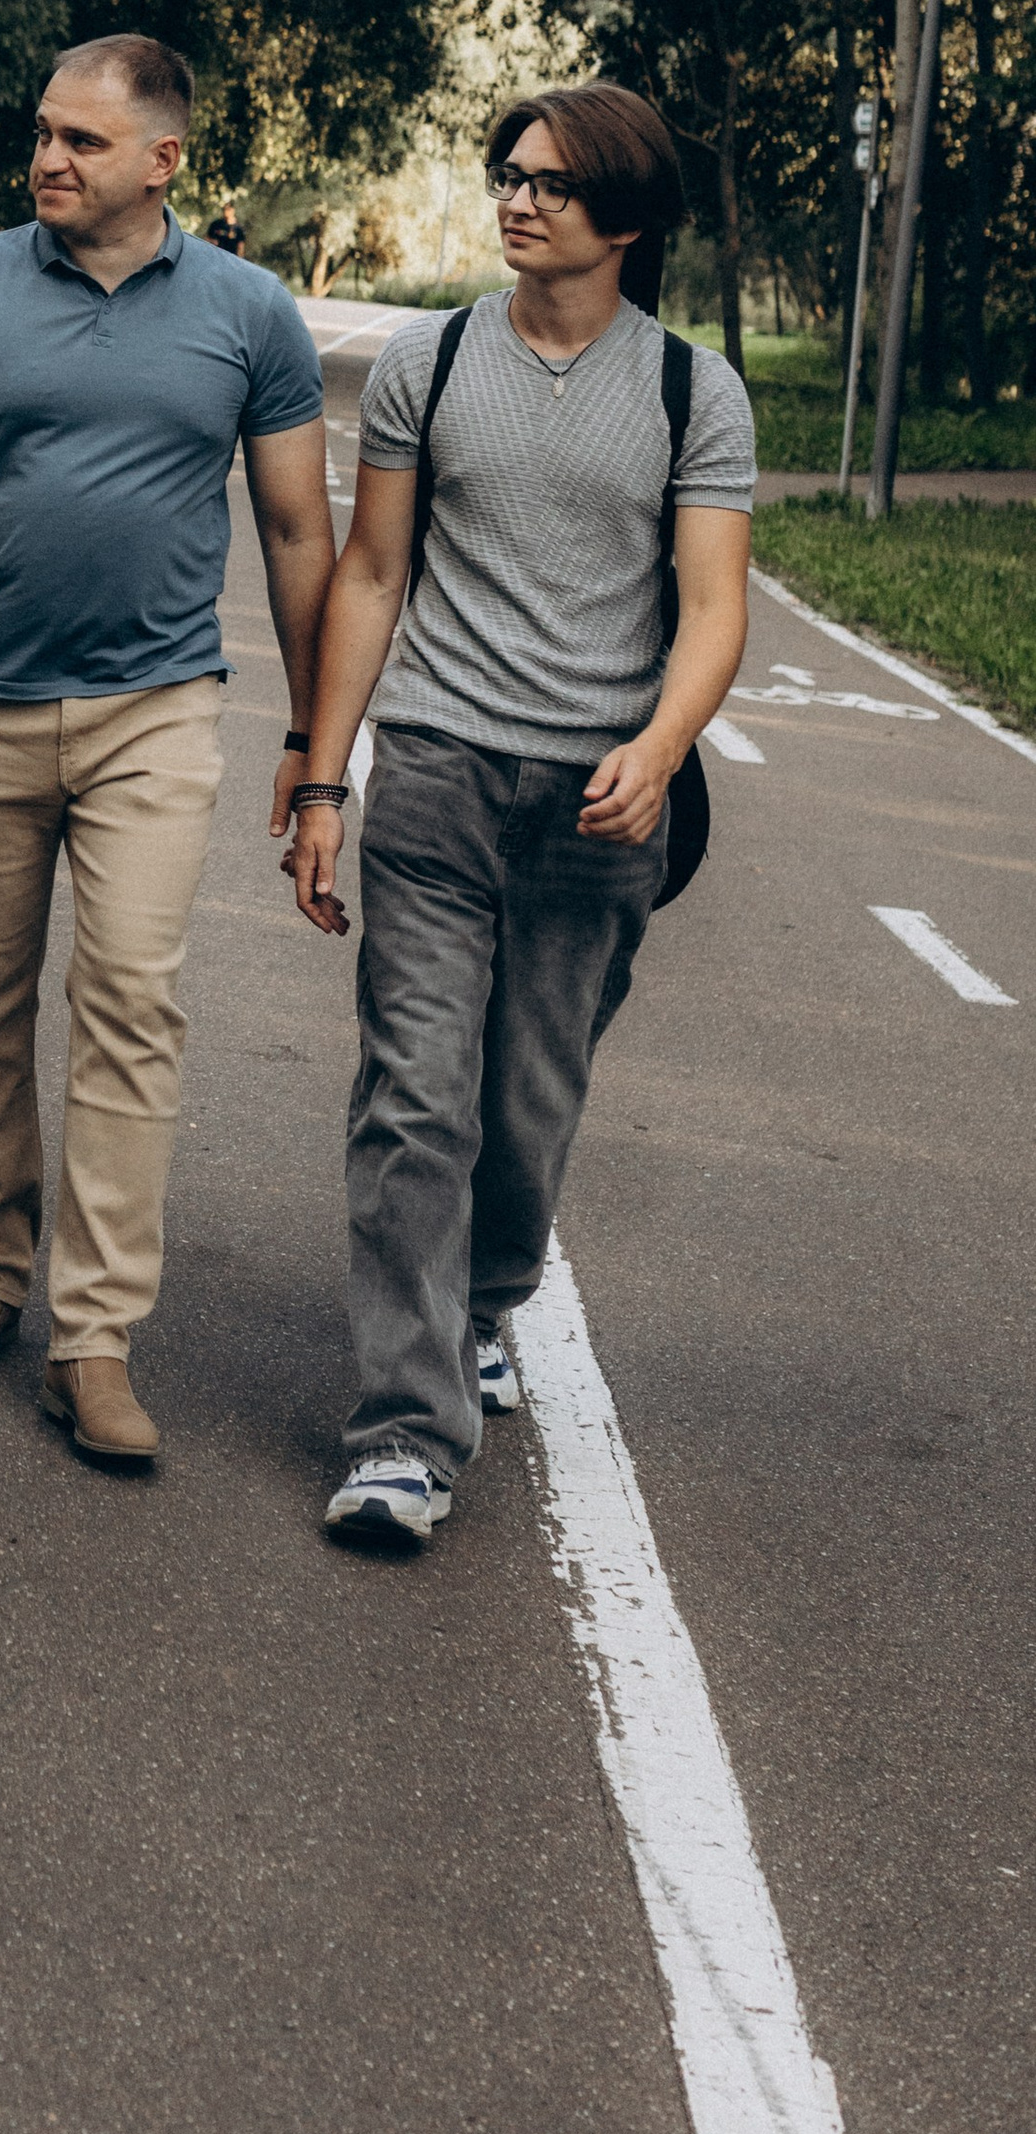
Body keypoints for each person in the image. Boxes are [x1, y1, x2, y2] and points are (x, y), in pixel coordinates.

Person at [0, 35, 335, 1468]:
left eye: (82, 142)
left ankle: (94, 1333)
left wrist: (314, 748)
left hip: (155, 711)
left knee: (130, 999)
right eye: (42, 133)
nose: (48, 159)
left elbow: (303, 535)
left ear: (164, 161)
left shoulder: (248, 316)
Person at [288, 84, 753, 1546]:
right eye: (509, 174)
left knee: (522, 1108)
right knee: (413, 1100)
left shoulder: (692, 390)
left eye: (550, 182)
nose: (518, 199)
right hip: (434, 775)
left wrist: (663, 747)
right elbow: (371, 576)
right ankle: (407, 1432)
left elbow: (713, 606)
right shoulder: (430, 365)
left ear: (624, 215)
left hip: (598, 810)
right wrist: (320, 776)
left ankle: (485, 1301)